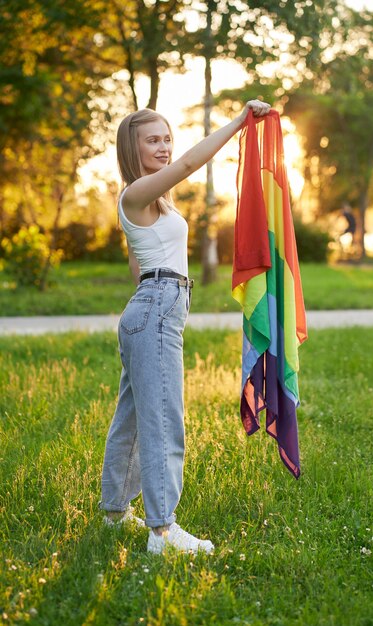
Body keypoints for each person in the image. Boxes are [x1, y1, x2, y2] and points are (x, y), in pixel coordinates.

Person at [99, 98, 271, 554]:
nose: (164, 146)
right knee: (162, 418)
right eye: (152, 140)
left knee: (134, 415)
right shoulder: (134, 194)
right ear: (131, 150)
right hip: (156, 310)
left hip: (150, 308)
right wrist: (240, 122)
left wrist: (152, 310)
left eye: (166, 138)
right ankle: (162, 531)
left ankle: (116, 512)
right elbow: (195, 161)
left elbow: (138, 269)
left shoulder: (154, 203)